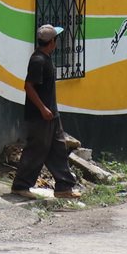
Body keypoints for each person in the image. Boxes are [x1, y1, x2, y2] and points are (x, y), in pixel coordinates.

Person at [10, 24, 80, 200]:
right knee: (36, 150)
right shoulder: (38, 60)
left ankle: (64, 187)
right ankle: (20, 185)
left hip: (51, 115)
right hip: (40, 116)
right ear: (52, 42)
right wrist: (43, 108)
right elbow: (28, 86)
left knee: (58, 149)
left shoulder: (45, 57)